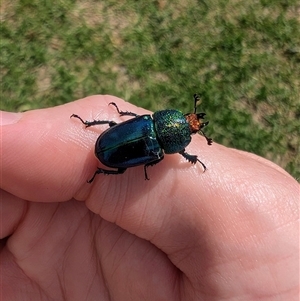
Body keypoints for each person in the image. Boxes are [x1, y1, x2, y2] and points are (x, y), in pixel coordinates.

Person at [1, 95, 299, 300]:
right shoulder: (160, 151)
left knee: (120, 133)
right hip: (112, 150)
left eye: (192, 128)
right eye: (188, 121)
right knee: (122, 158)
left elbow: (156, 139)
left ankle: (97, 156)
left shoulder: (149, 126)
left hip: (116, 143)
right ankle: (98, 162)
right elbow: (173, 152)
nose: (191, 122)